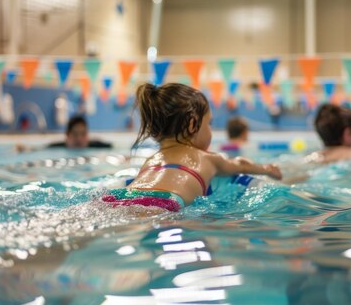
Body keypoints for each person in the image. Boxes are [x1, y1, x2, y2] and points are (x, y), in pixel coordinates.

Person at [103, 83, 282, 212]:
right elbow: (241, 164)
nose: (210, 130)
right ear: (192, 124)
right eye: (209, 123)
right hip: (165, 203)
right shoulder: (209, 159)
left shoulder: (152, 160)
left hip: (118, 197)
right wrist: (266, 169)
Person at [16, 115, 112, 152]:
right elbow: (40, 149)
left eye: (82, 134)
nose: (79, 139)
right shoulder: (57, 147)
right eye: (75, 134)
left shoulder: (96, 146)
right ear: (67, 135)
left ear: (87, 135)